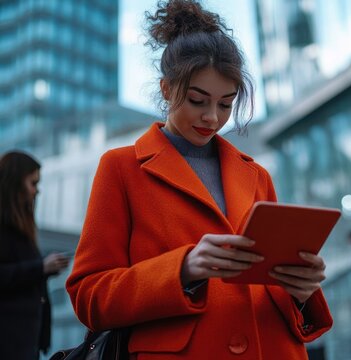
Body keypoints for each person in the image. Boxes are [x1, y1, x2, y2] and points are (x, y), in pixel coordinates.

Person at [65, 1, 332, 359]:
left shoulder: (256, 175)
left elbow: (265, 285)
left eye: (226, 104)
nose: (212, 117)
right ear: (165, 89)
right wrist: (183, 269)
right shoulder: (121, 168)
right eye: (197, 100)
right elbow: (89, 296)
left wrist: (301, 290)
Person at [0, 151, 70, 360]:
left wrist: (44, 269)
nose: (36, 192)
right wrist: (41, 267)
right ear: (14, 183)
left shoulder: (22, 227)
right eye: (33, 183)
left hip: (26, 341)